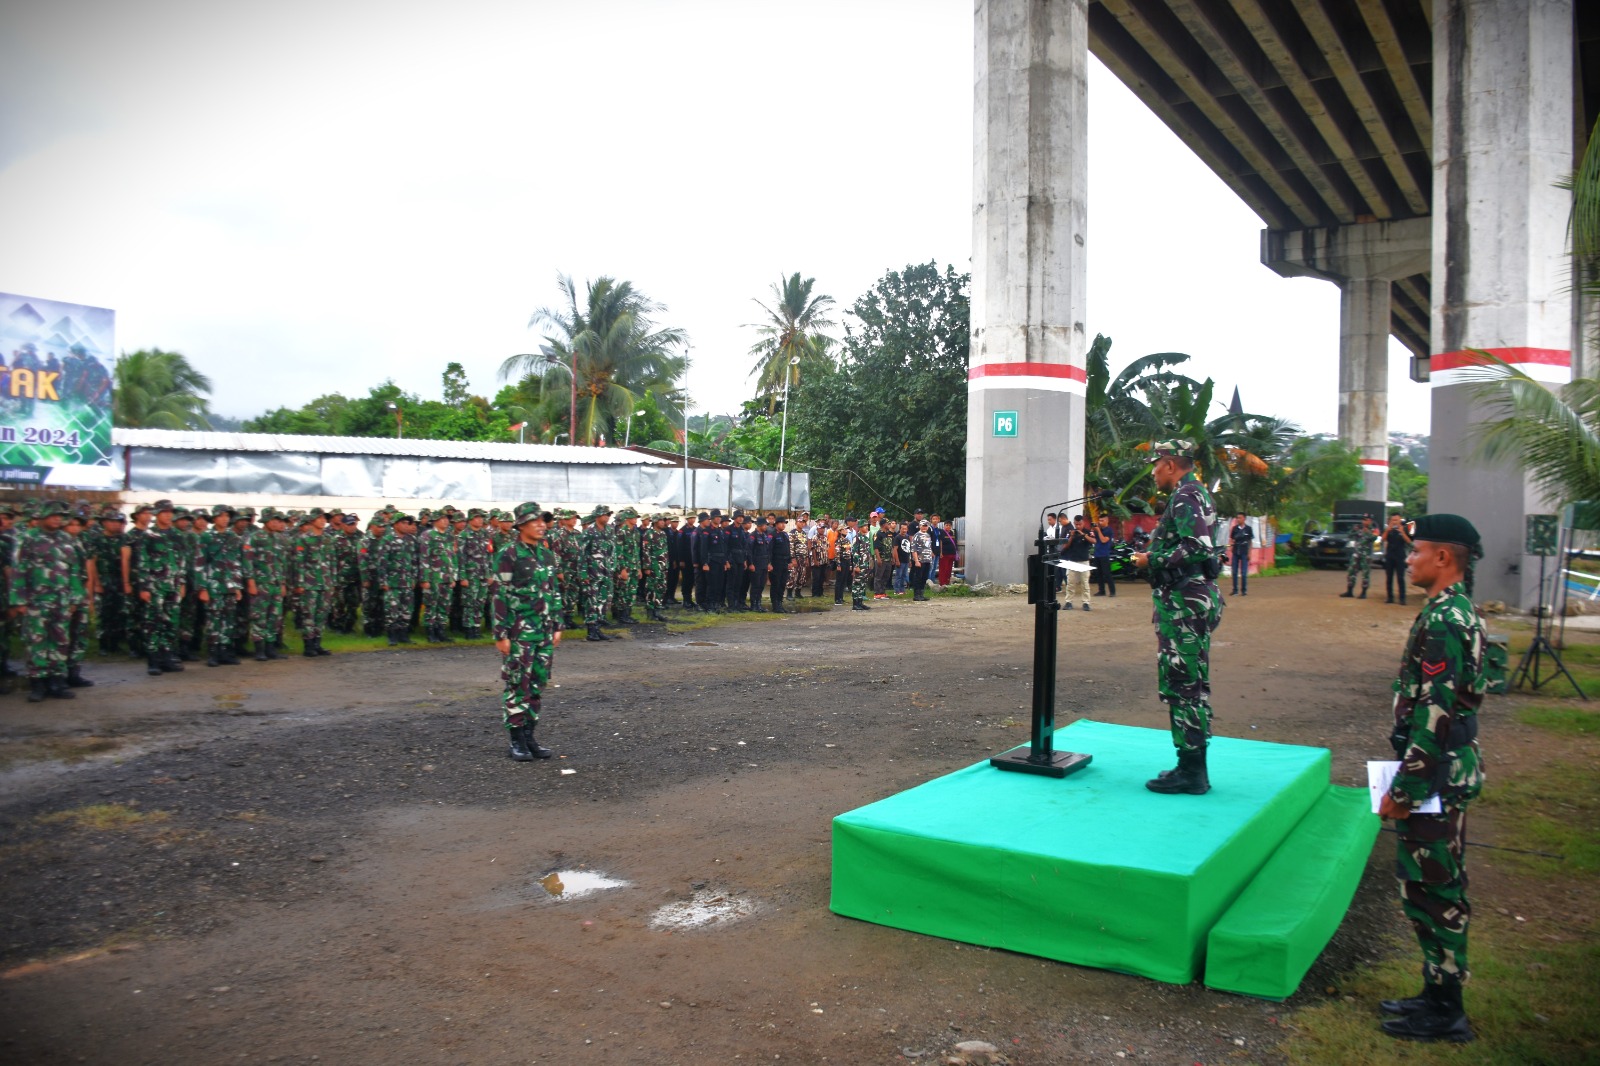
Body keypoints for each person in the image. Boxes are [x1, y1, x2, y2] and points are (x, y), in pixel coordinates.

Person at [1376, 513, 1485, 1044]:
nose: (1409, 559)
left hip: (1435, 776)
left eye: (1417, 551)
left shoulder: (1446, 618)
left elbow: (1436, 713)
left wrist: (1407, 788)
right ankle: (1435, 991)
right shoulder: (1450, 609)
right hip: (1438, 771)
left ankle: (1447, 1011)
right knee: (1423, 886)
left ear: (1443, 557)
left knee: (1436, 889)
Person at [1131, 440, 1224, 795]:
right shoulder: (1198, 493)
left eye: (1155, 465)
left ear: (1170, 464)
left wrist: (1150, 560)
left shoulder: (1185, 495)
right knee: (1191, 683)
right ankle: (1191, 765)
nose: (1153, 472)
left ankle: (1192, 772)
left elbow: (1197, 546)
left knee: (1183, 684)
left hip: (1185, 602)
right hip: (1192, 598)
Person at [493, 502, 563, 761]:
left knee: (537, 683)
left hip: (543, 632)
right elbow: (499, 594)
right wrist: (500, 633)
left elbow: (554, 591)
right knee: (517, 684)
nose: (542, 525)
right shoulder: (508, 554)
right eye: (536, 521)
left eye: (544, 521)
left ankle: (529, 735)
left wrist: (557, 624)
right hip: (519, 633)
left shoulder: (546, 555)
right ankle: (516, 740)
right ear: (521, 525)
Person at [1059, 515, 1094, 610]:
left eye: (1080, 524)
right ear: (1074, 523)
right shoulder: (1071, 532)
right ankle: (1068, 602)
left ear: (1083, 523)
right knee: (1070, 583)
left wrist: (1084, 535)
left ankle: (1086, 603)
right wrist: (1071, 536)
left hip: (1084, 561)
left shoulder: (1088, 532)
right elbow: (1065, 546)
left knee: (1085, 583)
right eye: (1076, 524)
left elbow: (1094, 541)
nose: (1078, 526)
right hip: (1072, 561)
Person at [1342, 515, 1377, 599]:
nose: (1365, 521)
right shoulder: (1358, 528)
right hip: (1356, 554)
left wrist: (1367, 532)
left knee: (1365, 573)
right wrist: (1354, 530)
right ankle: (1349, 591)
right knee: (1351, 572)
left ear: (1371, 521)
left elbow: (1374, 538)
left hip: (1366, 555)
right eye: (1364, 520)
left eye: (1367, 520)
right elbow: (1349, 535)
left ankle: (1364, 592)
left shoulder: (1374, 529)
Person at [1383, 514, 1413, 605]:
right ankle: (1390, 597)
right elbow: (1383, 539)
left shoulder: (1404, 529)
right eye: (1393, 520)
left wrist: (1402, 532)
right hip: (1390, 556)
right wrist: (1387, 530)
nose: (1395, 522)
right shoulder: (1389, 530)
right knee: (1389, 577)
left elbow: (1409, 542)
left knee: (1400, 578)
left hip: (1400, 556)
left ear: (1400, 520)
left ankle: (1402, 598)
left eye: (1396, 520)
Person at [1228, 514, 1254, 597]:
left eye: (1240, 518)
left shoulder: (1248, 529)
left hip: (1244, 552)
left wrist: (1249, 553)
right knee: (1234, 572)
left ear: (1244, 519)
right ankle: (1235, 590)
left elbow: (1250, 542)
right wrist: (1231, 547)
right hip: (1235, 552)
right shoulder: (1234, 528)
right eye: (1237, 518)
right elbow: (1231, 539)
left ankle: (1244, 591)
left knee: (1243, 573)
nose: (1238, 519)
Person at [1091, 513, 1116, 597]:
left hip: (1104, 554)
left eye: (1102, 520)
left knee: (1107, 573)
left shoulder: (1109, 530)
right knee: (1098, 574)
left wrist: (1098, 531)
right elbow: (1094, 539)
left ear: (1107, 521)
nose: (1100, 522)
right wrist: (1094, 530)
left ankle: (1112, 591)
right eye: (1099, 520)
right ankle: (1101, 591)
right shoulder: (1098, 529)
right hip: (1097, 554)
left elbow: (1103, 540)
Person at [938, 518, 959, 587]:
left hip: (952, 554)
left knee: (949, 569)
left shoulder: (952, 533)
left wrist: (956, 552)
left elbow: (954, 543)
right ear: (944, 526)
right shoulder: (942, 532)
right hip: (944, 554)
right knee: (943, 569)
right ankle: (942, 583)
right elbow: (940, 542)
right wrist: (940, 552)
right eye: (946, 525)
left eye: (949, 525)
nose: (948, 526)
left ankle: (947, 582)